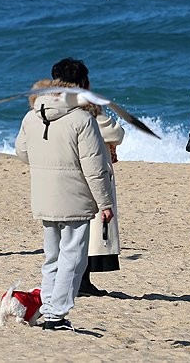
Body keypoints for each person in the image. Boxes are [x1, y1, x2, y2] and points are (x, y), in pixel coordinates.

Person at [15, 70, 114, 331]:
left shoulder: (31, 116)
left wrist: (46, 164)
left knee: (52, 256)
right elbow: (95, 168)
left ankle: (48, 307)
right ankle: (56, 314)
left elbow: (22, 152)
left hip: (44, 195)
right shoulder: (82, 119)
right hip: (75, 197)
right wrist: (105, 204)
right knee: (73, 258)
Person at [42, 57, 124, 297]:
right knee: (85, 231)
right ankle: (79, 284)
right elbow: (115, 131)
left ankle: (63, 287)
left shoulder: (44, 108)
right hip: (82, 177)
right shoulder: (87, 111)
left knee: (58, 239)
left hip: (52, 176)